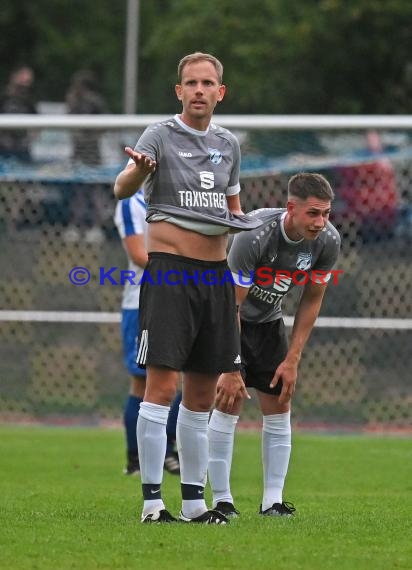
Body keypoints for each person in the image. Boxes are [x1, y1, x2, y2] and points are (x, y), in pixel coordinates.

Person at [113, 52, 263, 524]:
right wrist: (139, 168)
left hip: (214, 278)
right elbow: (121, 188)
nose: (199, 90)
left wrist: (259, 225)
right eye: (190, 83)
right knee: (160, 387)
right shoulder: (158, 135)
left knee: (200, 396)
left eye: (207, 83)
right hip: (171, 274)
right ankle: (153, 503)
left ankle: (196, 503)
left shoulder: (228, 144)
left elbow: (233, 210)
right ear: (179, 91)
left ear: (221, 92)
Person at [208, 172, 341, 518]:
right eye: (313, 213)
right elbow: (231, 306)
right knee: (227, 402)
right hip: (229, 321)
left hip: (269, 323)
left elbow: (312, 301)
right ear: (291, 208)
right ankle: (222, 501)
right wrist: (231, 365)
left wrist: (293, 359)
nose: (321, 221)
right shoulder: (254, 236)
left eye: (326, 213)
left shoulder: (327, 241)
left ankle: (273, 502)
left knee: (280, 405)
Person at [114, 187, 182, 477]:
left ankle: (167, 449)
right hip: (141, 302)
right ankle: (135, 459)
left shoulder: (174, 196)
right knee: (143, 383)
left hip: (176, 300)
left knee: (179, 380)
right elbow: (138, 254)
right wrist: (179, 273)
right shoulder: (131, 202)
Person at [0, 65, 37, 161]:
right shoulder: (3, 98)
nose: (25, 86)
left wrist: (28, 140)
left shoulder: (28, 101)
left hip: (22, 150)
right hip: (3, 150)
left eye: (28, 83)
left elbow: (38, 124)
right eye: (23, 82)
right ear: (14, 77)